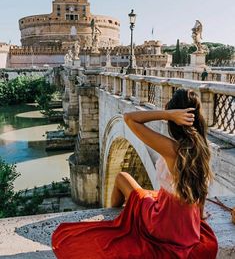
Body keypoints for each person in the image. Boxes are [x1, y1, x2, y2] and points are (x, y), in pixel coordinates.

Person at [52, 89, 218, 259]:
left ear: (175, 117)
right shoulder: (202, 148)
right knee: (146, 193)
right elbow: (201, 192)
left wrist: (168, 114)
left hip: (161, 226)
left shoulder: (172, 150)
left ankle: (114, 217)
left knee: (121, 177)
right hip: (188, 231)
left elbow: (129, 118)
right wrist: (201, 216)